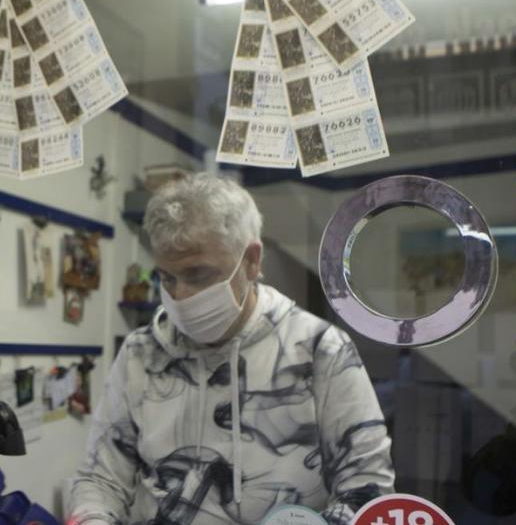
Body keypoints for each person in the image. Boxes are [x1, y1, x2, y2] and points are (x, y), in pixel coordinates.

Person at [69, 173, 394, 525]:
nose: (181, 296)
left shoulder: (320, 352)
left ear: (252, 261)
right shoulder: (141, 355)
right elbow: (100, 480)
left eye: (199, 275)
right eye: (167, 278)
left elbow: (367, 488)